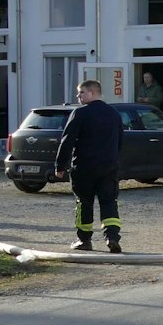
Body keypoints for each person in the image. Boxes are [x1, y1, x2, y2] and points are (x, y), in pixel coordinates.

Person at [53, 79, 125, 253]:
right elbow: (120, 140)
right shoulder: (114, 113)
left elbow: (67, 140)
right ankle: (112, 237)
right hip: (109, 166)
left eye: (81, 92)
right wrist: (114, 160)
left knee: (84, 203)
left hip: (84, 167)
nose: (78, 96)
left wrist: (60, 165)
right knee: (109, 201)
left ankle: (84, 240)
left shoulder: (80, 113)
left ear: (92, 93)